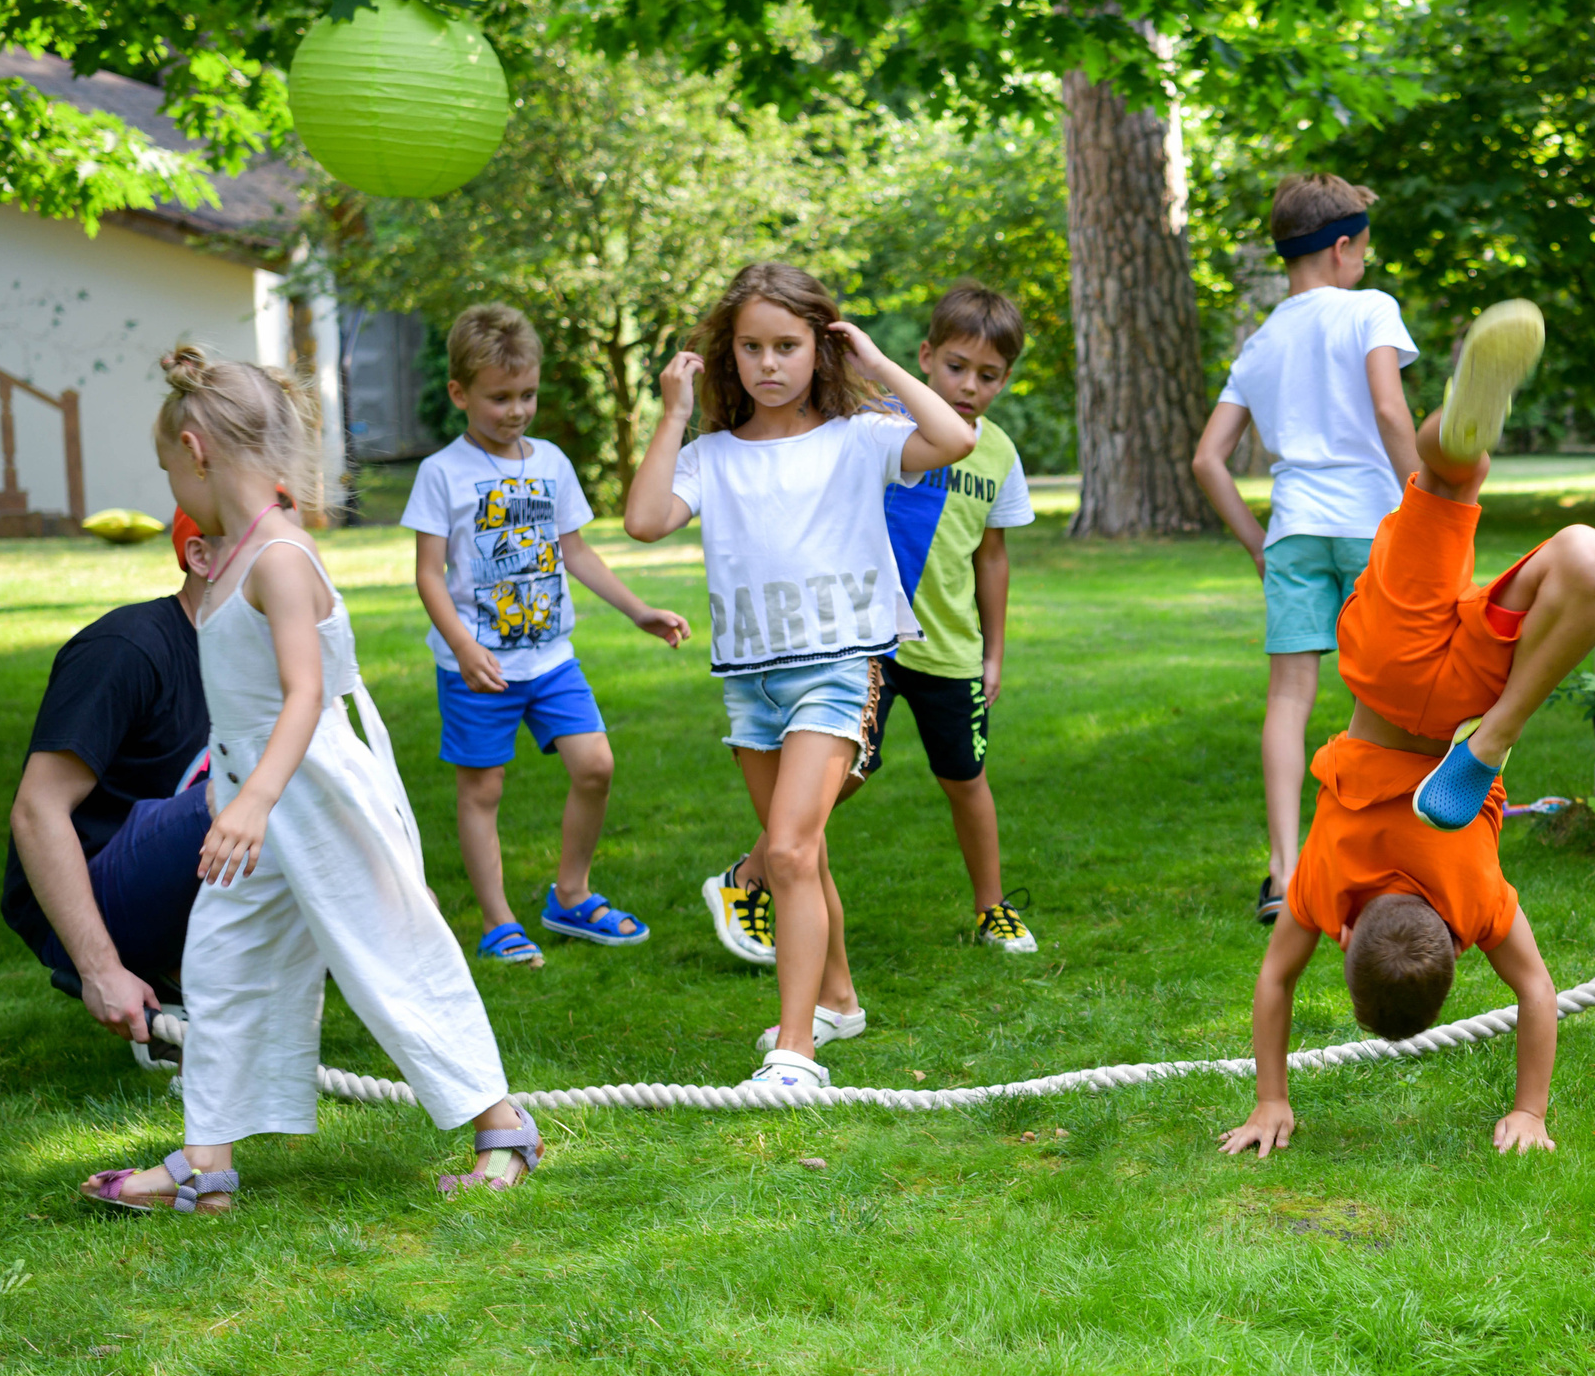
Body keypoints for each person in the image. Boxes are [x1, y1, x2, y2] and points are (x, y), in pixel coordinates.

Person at [79, 348, 540, 1213]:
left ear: (196, 450)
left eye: (168, 470)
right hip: (256, 796)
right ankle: (206, 1163)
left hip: (312, 794)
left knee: (387, 951)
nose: (172, 488)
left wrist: (253, 799)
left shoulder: (282, 558)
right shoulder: (238, 552)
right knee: (223, 963)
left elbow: (305, 694)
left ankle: (502, 1125)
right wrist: (236, 790)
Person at [1219, 323, 1595, 1160]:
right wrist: (1269, 1097)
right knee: (1449, 474)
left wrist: (1532, 1111)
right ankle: (1459, 429)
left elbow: (1537, 990)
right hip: (1389, 672)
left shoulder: (1474, 900)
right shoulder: (1325, 886)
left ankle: (1500, 731)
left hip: (1460, 696)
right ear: (1347, 941)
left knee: (1590, 560)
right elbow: (1275, 978)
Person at [624, 263, 977, 1090]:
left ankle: (796, 1054)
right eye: (751, 348)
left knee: (784, 850)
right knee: (803, 856)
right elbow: (643, 520)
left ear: (820, 348)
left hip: (839, 667)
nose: (768, 364)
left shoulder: (861, 437)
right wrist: (672, 415)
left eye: (787, 346)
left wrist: (877, 364)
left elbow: (956, 439)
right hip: (750, 681)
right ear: (730, 355)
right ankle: (838, 1000)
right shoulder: (710, 455)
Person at [703, 283, 1039, 970]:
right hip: (866, 641)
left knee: (966, 779)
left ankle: (992, 906)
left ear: (1006, 379)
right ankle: (753, 875)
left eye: (987, 375)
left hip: (950, 650)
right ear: (926, 356)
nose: (968, 386)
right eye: (955, 367)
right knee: (837, 778)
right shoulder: (877, 425)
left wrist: (995, 653)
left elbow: (992, 558)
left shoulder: (1000, 454)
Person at [403, 304, 690, 968]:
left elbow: (576, 553)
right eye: (499, 397)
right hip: (479, 666)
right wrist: (463, 646)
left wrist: (638, 610)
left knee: (596, 766)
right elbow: (427, 574)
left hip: (552, 657)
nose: (516, 410)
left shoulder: (553, 463)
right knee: (483, 790)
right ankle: (498, 920)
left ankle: (571, 894)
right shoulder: (442, 473)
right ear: (459, 394)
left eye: (526, 394)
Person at [1191, 173, 1420, 926]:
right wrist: (1428, 502)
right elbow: (1389, 408)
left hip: (1293, 530)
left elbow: (1208, 459)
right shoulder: (1369, 308)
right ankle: (1368, 856)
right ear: (1342, 246)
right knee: (1378, 697)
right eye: (1364, 250)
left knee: (1288, 699)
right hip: (1369, 526)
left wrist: (1259, 542)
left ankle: (1283, 872)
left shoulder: (1260, 342)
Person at [4, 510, 214, 1066]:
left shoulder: (266, 656)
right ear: (201, 556)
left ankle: (206, 996)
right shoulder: (127, 647)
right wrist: (100, 970)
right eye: (263, 539)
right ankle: (168, 983)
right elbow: (36, 810)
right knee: (246, 796)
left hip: (181, 875)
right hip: (87, 898)